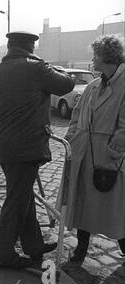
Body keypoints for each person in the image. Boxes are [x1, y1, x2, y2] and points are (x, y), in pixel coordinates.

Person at [0, 31, 75, 269]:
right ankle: (3, 254)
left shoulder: (0, 70)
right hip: (24, 147)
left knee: (23, 196)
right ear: (31, 47)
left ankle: (34, 245)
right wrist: (52, 66)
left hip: (5, 145)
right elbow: (66, 83)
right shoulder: (35, 68)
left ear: (9, 46)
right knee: (16, 201)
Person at [63, 35, 125, 264]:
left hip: (109, 158)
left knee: (114, 208)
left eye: (95, 54)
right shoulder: (93, 85)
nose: (92, 59)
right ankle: (81, 249)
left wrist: (115, 151)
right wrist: (71, 138)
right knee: (84, 204)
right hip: (84, 153)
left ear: (106, 56)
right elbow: (77, 113)